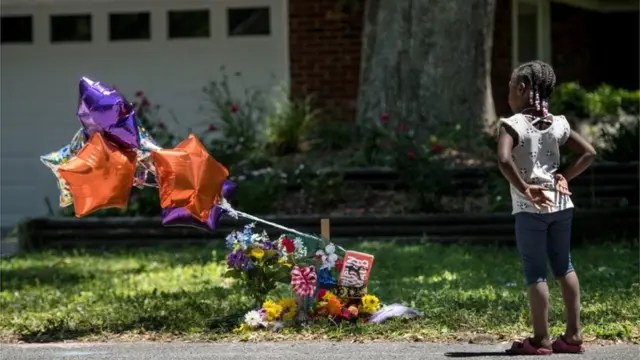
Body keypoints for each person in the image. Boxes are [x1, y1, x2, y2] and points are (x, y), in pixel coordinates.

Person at [497, 60, 597, 355]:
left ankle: (540, 340)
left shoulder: (512, 124)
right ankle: (573, 336)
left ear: (521, 88)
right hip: (562, 205)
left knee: (535, 273)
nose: (508, 96)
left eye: (509, 90)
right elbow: (589, 153)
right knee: (564, 265)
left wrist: (526, 188)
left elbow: (504, 160)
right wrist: (564, 176)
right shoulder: (560, 123)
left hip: (530, 209)